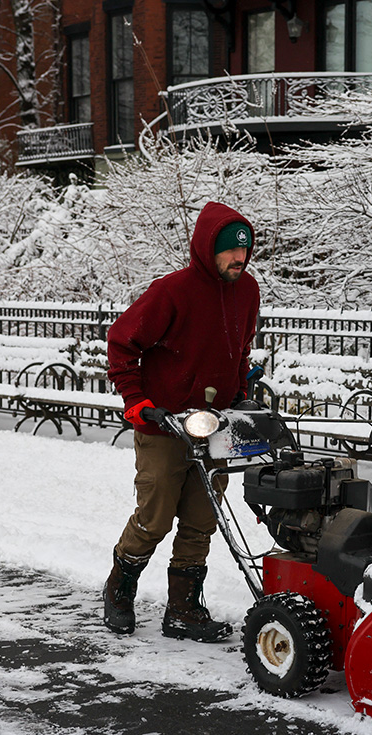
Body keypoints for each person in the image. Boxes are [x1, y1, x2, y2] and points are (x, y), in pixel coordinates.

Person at [102, 202, 259, 642]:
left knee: (202, 520)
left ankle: (184, 611)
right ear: (208, 249)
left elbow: (240, 348)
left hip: (216, 425)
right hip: (165, 425)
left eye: (244, 253)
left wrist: (242, 389)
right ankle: (119, 589)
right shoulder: (172, 291)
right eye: (230, 252)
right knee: (155, 517)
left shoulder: (247, 291)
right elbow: (121, 343)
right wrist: (138, 401)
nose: (239, 260)